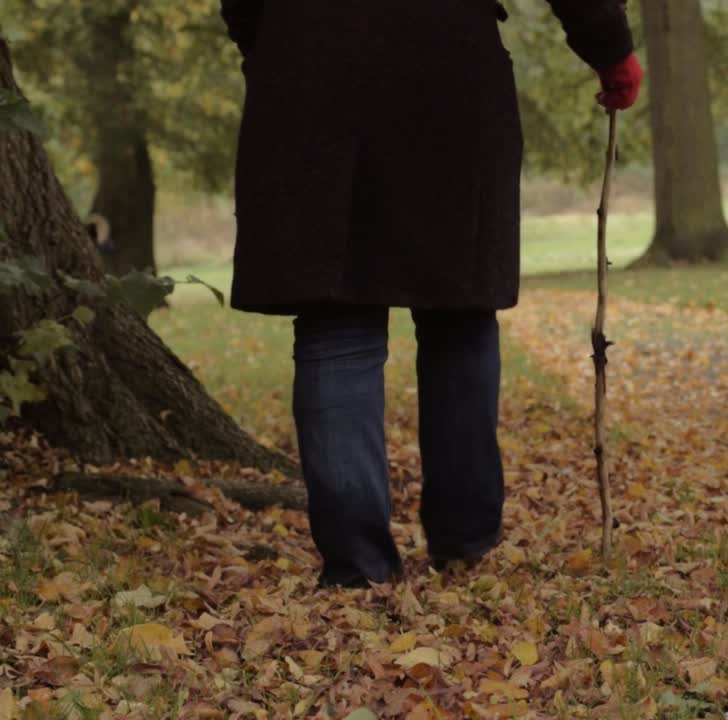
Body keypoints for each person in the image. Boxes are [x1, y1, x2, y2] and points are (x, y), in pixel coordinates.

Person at [219, 1, 643, 588]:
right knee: (457, 313)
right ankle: (464, 542)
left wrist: (276, 46)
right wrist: (610, 48)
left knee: (337, 318)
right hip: (445, 67)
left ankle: (360, 568)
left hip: (308, 66)